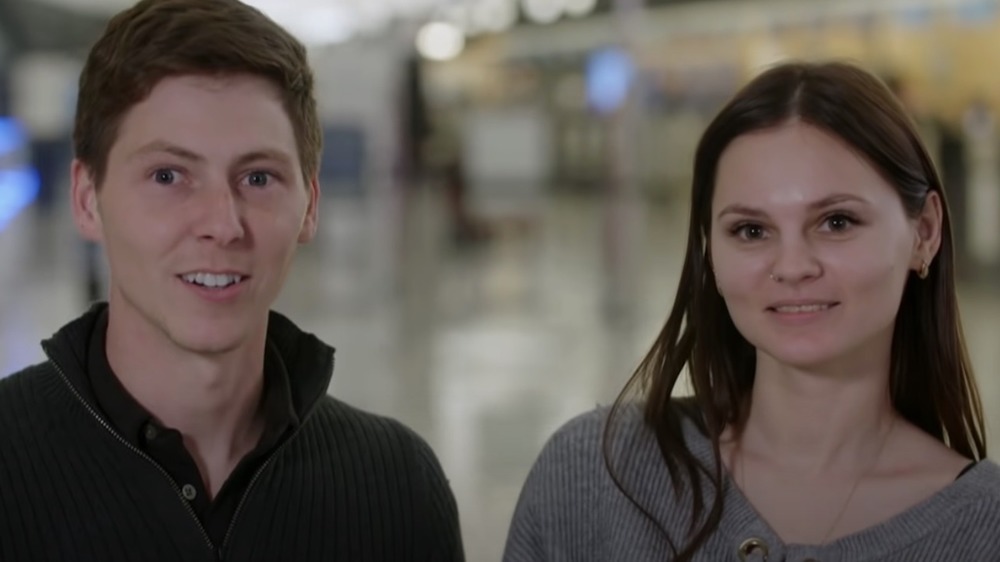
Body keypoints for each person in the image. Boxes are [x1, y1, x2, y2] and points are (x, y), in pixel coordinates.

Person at [0, 1, 464, 561]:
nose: (222, 224)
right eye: (168, 175)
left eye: (258, 177)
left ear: (310, 205)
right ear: (86, 200)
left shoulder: (397, 490)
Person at [503, 61, 1000, 562]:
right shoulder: (593, 477)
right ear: (710, 253)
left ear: (925, 232)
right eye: (751, 231)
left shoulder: (985, 530)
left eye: (837, 221)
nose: (791, 266)